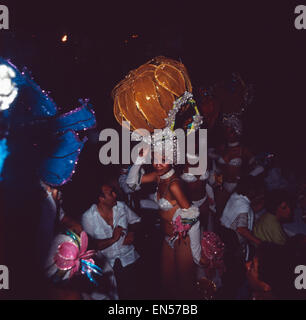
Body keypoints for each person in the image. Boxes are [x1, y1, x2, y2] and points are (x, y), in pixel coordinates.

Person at [126, 147, 201, 299]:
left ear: (173, 161)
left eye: (163, 160)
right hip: (167, 239)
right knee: (167, 284)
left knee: (186, 287)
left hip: (182, 239)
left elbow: (193, 213)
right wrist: (139, 160)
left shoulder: (174, 184)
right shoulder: (157, 177)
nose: (157, 164)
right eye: (154, 160)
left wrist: (182, 228)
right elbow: (131, 184)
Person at [81, 183, 141, 299]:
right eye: (111, 193)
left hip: (128, 258)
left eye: (114, 192)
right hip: (106, 266)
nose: (115, 195)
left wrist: (132, 232)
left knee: (134, 293)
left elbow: (137, 221)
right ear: (101, 199)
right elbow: (91, 246)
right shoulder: (88, 217)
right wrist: (113, 239)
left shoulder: (121, 207)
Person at [219, 176, 262, 261]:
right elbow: (241, 229)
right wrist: (259, 242)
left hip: (224, 232)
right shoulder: (244, 206)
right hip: (233, 241)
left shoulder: (236, 196)